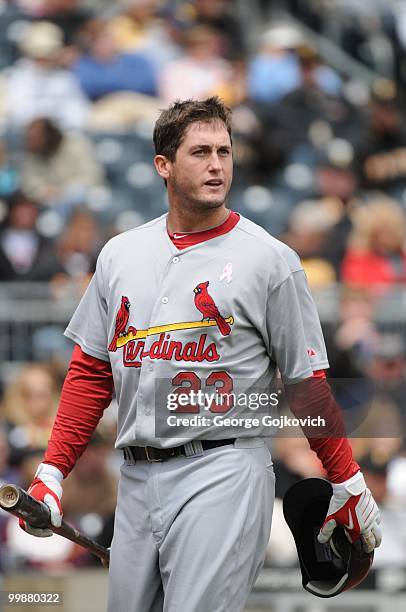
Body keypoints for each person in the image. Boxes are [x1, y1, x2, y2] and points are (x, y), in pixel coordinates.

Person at [21, 97, 382, 612]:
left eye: (224, 151)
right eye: (200, 152)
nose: (217, 165)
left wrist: (346, 476)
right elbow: (90, 372)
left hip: (223, 468)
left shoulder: (270, 260)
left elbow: (306, 383)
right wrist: (52, 473)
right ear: (163, 166)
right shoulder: (120, 254)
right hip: (138, 475)